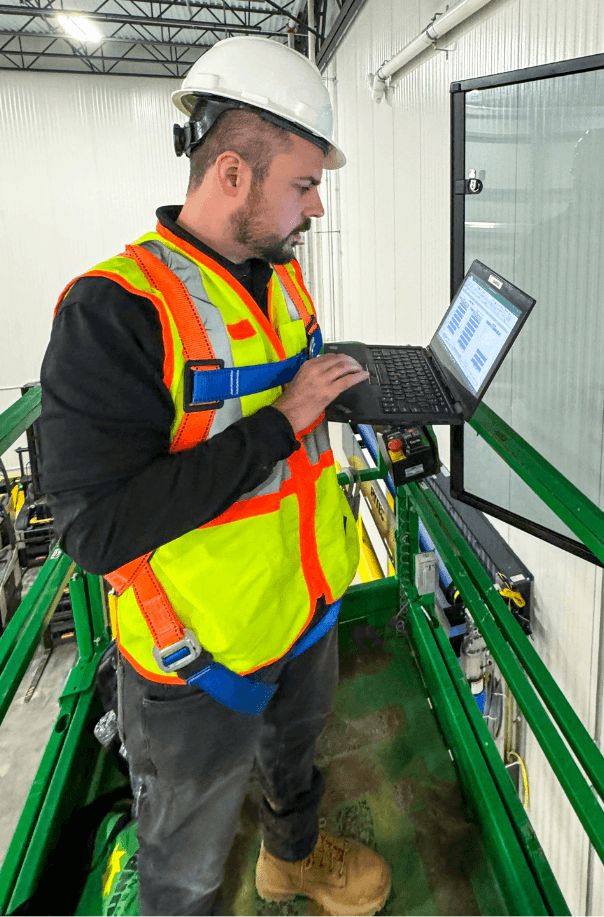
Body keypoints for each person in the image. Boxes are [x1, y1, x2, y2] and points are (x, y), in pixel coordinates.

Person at [39, 35, 392, 917]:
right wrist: (283, 422)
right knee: (186, 862)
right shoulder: (116, 312)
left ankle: (292, 861)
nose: (314, 207)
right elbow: (97, 529)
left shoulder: (277, 276)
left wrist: (353, 391)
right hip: (196, 662)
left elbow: (285, 401)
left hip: (304, 607)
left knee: (294, 769)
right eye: (303, 185)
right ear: (232, 174)